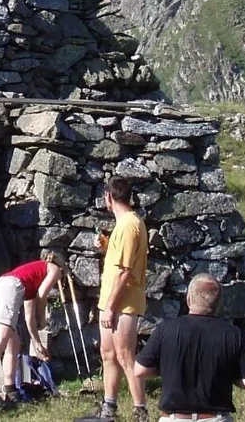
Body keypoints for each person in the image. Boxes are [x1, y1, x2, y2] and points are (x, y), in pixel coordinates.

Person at [133, 275, 245, 422]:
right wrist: (227, 375)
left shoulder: (166, 329)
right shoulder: (233, 334)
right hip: (215, 419)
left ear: (188, 300)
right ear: (219, 303)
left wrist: (168, 370)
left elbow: (140, 370)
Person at [84, 176, 148, 422]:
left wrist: (110, 307)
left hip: (123, 302)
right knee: (108, 353)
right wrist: (106, 247)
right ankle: (109, 407)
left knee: (125, 355)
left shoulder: (130, 225)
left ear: (109, 197)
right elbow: (120, 260)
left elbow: (125, 271)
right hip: (111, 301)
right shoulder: (123, 226)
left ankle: (140, 410)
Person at [0, 249, 68, 408]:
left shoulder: (29, 282)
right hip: (8, 290)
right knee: (0, 340)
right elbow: (42, 295)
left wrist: (37, 343)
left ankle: (12, 393)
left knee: (14, 343)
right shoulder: (54, 268)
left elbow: (29, 319)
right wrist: (43, 320)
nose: (58, 280)